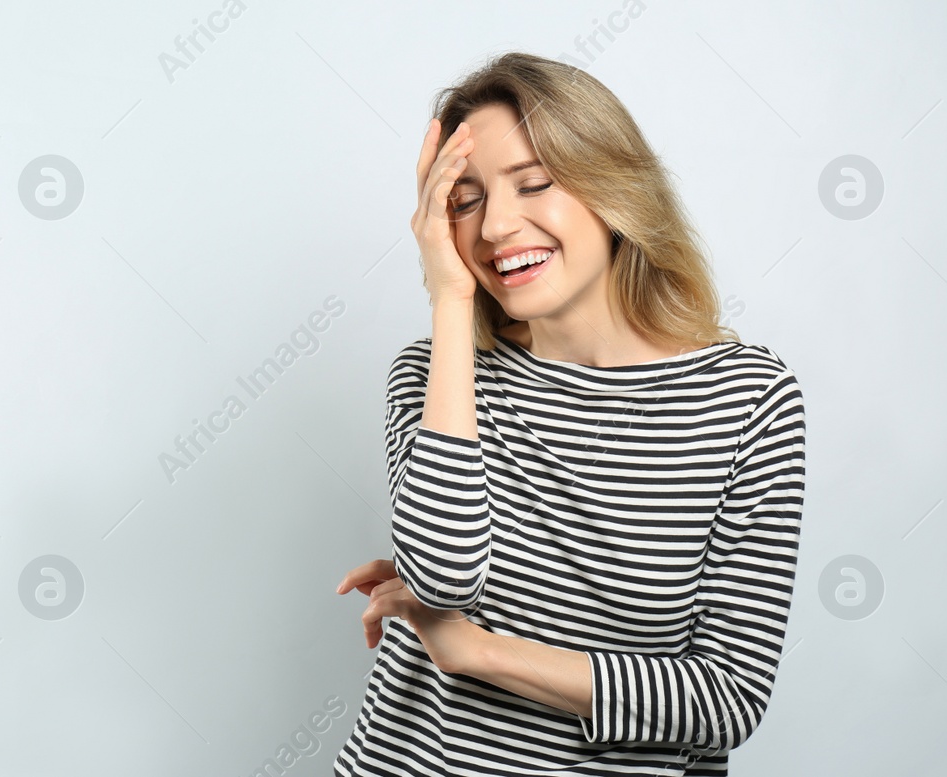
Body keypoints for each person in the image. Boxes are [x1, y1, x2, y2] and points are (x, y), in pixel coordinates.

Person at [332, 52, 807, 776]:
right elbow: (442, 577)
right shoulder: (434, 373)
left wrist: (473, 649)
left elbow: (727, 698)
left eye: (534, 184)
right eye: (462, 199)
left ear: (612, 187)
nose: (494, 226)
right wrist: (450, 300)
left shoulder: (747, 401)